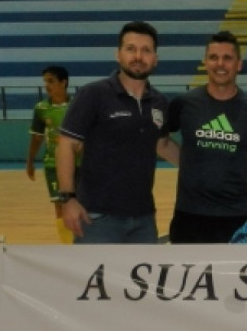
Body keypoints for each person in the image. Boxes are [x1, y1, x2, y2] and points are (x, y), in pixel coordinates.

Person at [56, 21, 175, 244]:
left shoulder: (158, 101)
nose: (138, 56)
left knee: (138, 281)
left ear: (155, 58)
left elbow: (162, 145)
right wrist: (68, 199)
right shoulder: (94, 94)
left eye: (146, 50)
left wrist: (200, 166)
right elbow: (66, 145)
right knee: (94, 280)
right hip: (97, 218)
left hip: (144, 219)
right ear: (118, 54)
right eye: (131, 49)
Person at [163, 31, 247, 244]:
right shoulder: (184, 103)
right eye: (213, 57)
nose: (220, 64)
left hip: (236, 215)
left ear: (239, 64)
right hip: (189, 215)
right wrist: (189, 162)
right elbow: (161, 143)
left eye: (227, 58)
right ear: (205, 62)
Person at [25, 65, 73, 243]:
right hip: (53, 164)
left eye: (51, 81)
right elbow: (37, 138)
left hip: (78, 164)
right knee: (60, 206)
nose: (47, 85)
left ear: (63, 82)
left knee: (80, 205)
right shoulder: (41, 108)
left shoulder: (77, 106)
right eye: (45, 81)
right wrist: (30, 162)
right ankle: (67, 246)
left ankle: (83, 245)